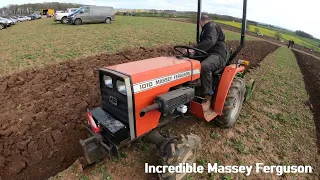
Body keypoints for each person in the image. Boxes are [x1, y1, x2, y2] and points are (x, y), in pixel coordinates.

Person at [188, 15, 228, 111]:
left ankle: (208, 95)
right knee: (189, 63)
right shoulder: (206, 28)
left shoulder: (211, 26)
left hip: (218, 54)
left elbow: (210, 40)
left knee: (205, 66)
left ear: (201, 21)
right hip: (208, 53)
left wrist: (194, 50)